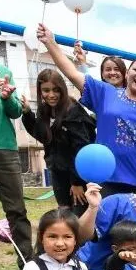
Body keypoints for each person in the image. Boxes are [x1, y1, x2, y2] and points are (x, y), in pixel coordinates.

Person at [37, 24, 136, 196]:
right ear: (127, 74)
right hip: (108, 178)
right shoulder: (106, 93)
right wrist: (51, 43)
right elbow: (72, 73)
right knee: (108, 222)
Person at [0, 17, 33, 270]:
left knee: (17, 210)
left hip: (5, 147)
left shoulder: (3, 70)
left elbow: (16, 111)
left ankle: (27, 265)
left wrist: (7, 99)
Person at [20, 69, 95, 216]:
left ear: (62, 89)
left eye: (56, 90)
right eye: (46, 90)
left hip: (77, 174)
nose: (51, 95)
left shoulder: (73, 111)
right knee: (64, 213)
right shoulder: (46, 111)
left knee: (79, 216)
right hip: (57, 171)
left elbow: (81, 149)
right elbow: (43, 136)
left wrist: (77, 182)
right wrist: (28, 113)